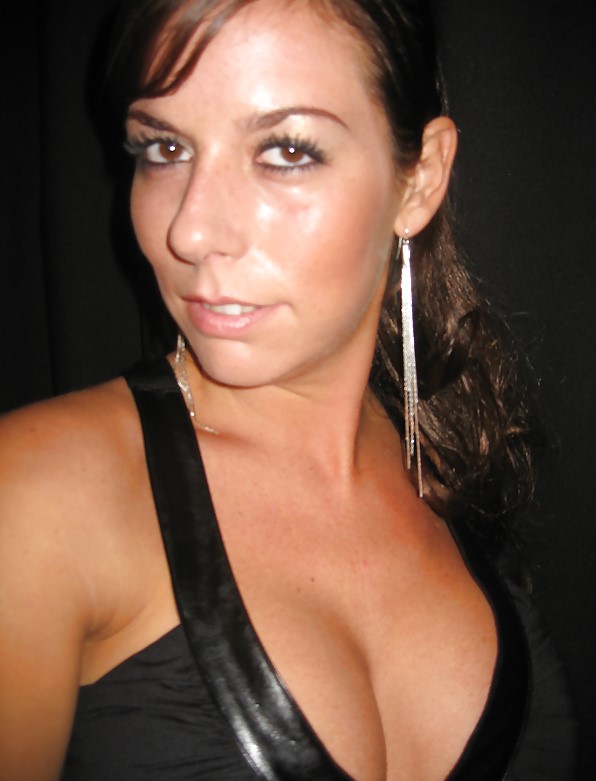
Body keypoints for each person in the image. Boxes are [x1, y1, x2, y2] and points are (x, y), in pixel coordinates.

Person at [0, 0, 576, 779]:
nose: (191, 231)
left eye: (286, 151)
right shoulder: (37, 494)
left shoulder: (451, 462)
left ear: (419, 180)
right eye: (164, 148)